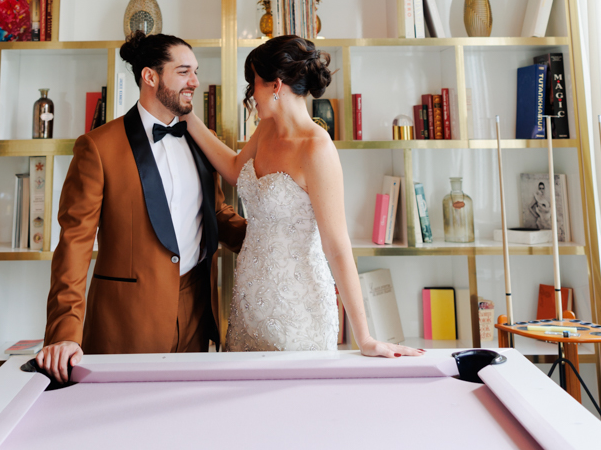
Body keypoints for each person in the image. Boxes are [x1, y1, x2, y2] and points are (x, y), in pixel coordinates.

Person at [183, 35, 424, 357]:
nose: (250, 94)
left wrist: (364, 338)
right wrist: (186, 116)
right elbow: (233, 169)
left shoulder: (316, 148)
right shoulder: (266, 129)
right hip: (248, 300)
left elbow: (337, 247)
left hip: (298, 306)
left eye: (253, 83)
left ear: (275, 85)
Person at [37, 31, 246, 382]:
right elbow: (74, 244)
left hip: (197, 314)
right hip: (126, 323)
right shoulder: (97, 147)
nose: (195, 82)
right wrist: (63, 333)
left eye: (195, 72)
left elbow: (216, 214)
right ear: (150, 76)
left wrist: (273, 241)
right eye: (183, 72)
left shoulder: (202, 140)